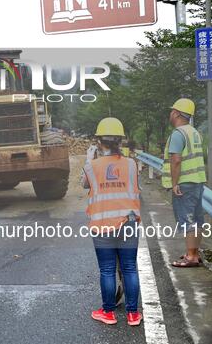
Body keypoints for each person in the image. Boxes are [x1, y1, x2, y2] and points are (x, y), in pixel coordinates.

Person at [81, 117, 142, 326]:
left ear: (99, 143)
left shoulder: (92, 166)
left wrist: (89, 160)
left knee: (107, 270)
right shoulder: (132, 164)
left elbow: (84, 185)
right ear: (120, 141)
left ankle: (108, 313)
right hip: (128, 222)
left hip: (103, 224)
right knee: (129, 268)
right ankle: (133, 314)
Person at [162, 98, 207, 268]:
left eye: (172, 111)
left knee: (187, 220)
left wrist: (174, 184)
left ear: (177, 113)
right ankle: (194, 253)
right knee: (196, 219)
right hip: (197, 182)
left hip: (184, 184)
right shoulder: (194, 132)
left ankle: (190, 257)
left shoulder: (178, 134)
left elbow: (176, 160)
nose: (170, 113)